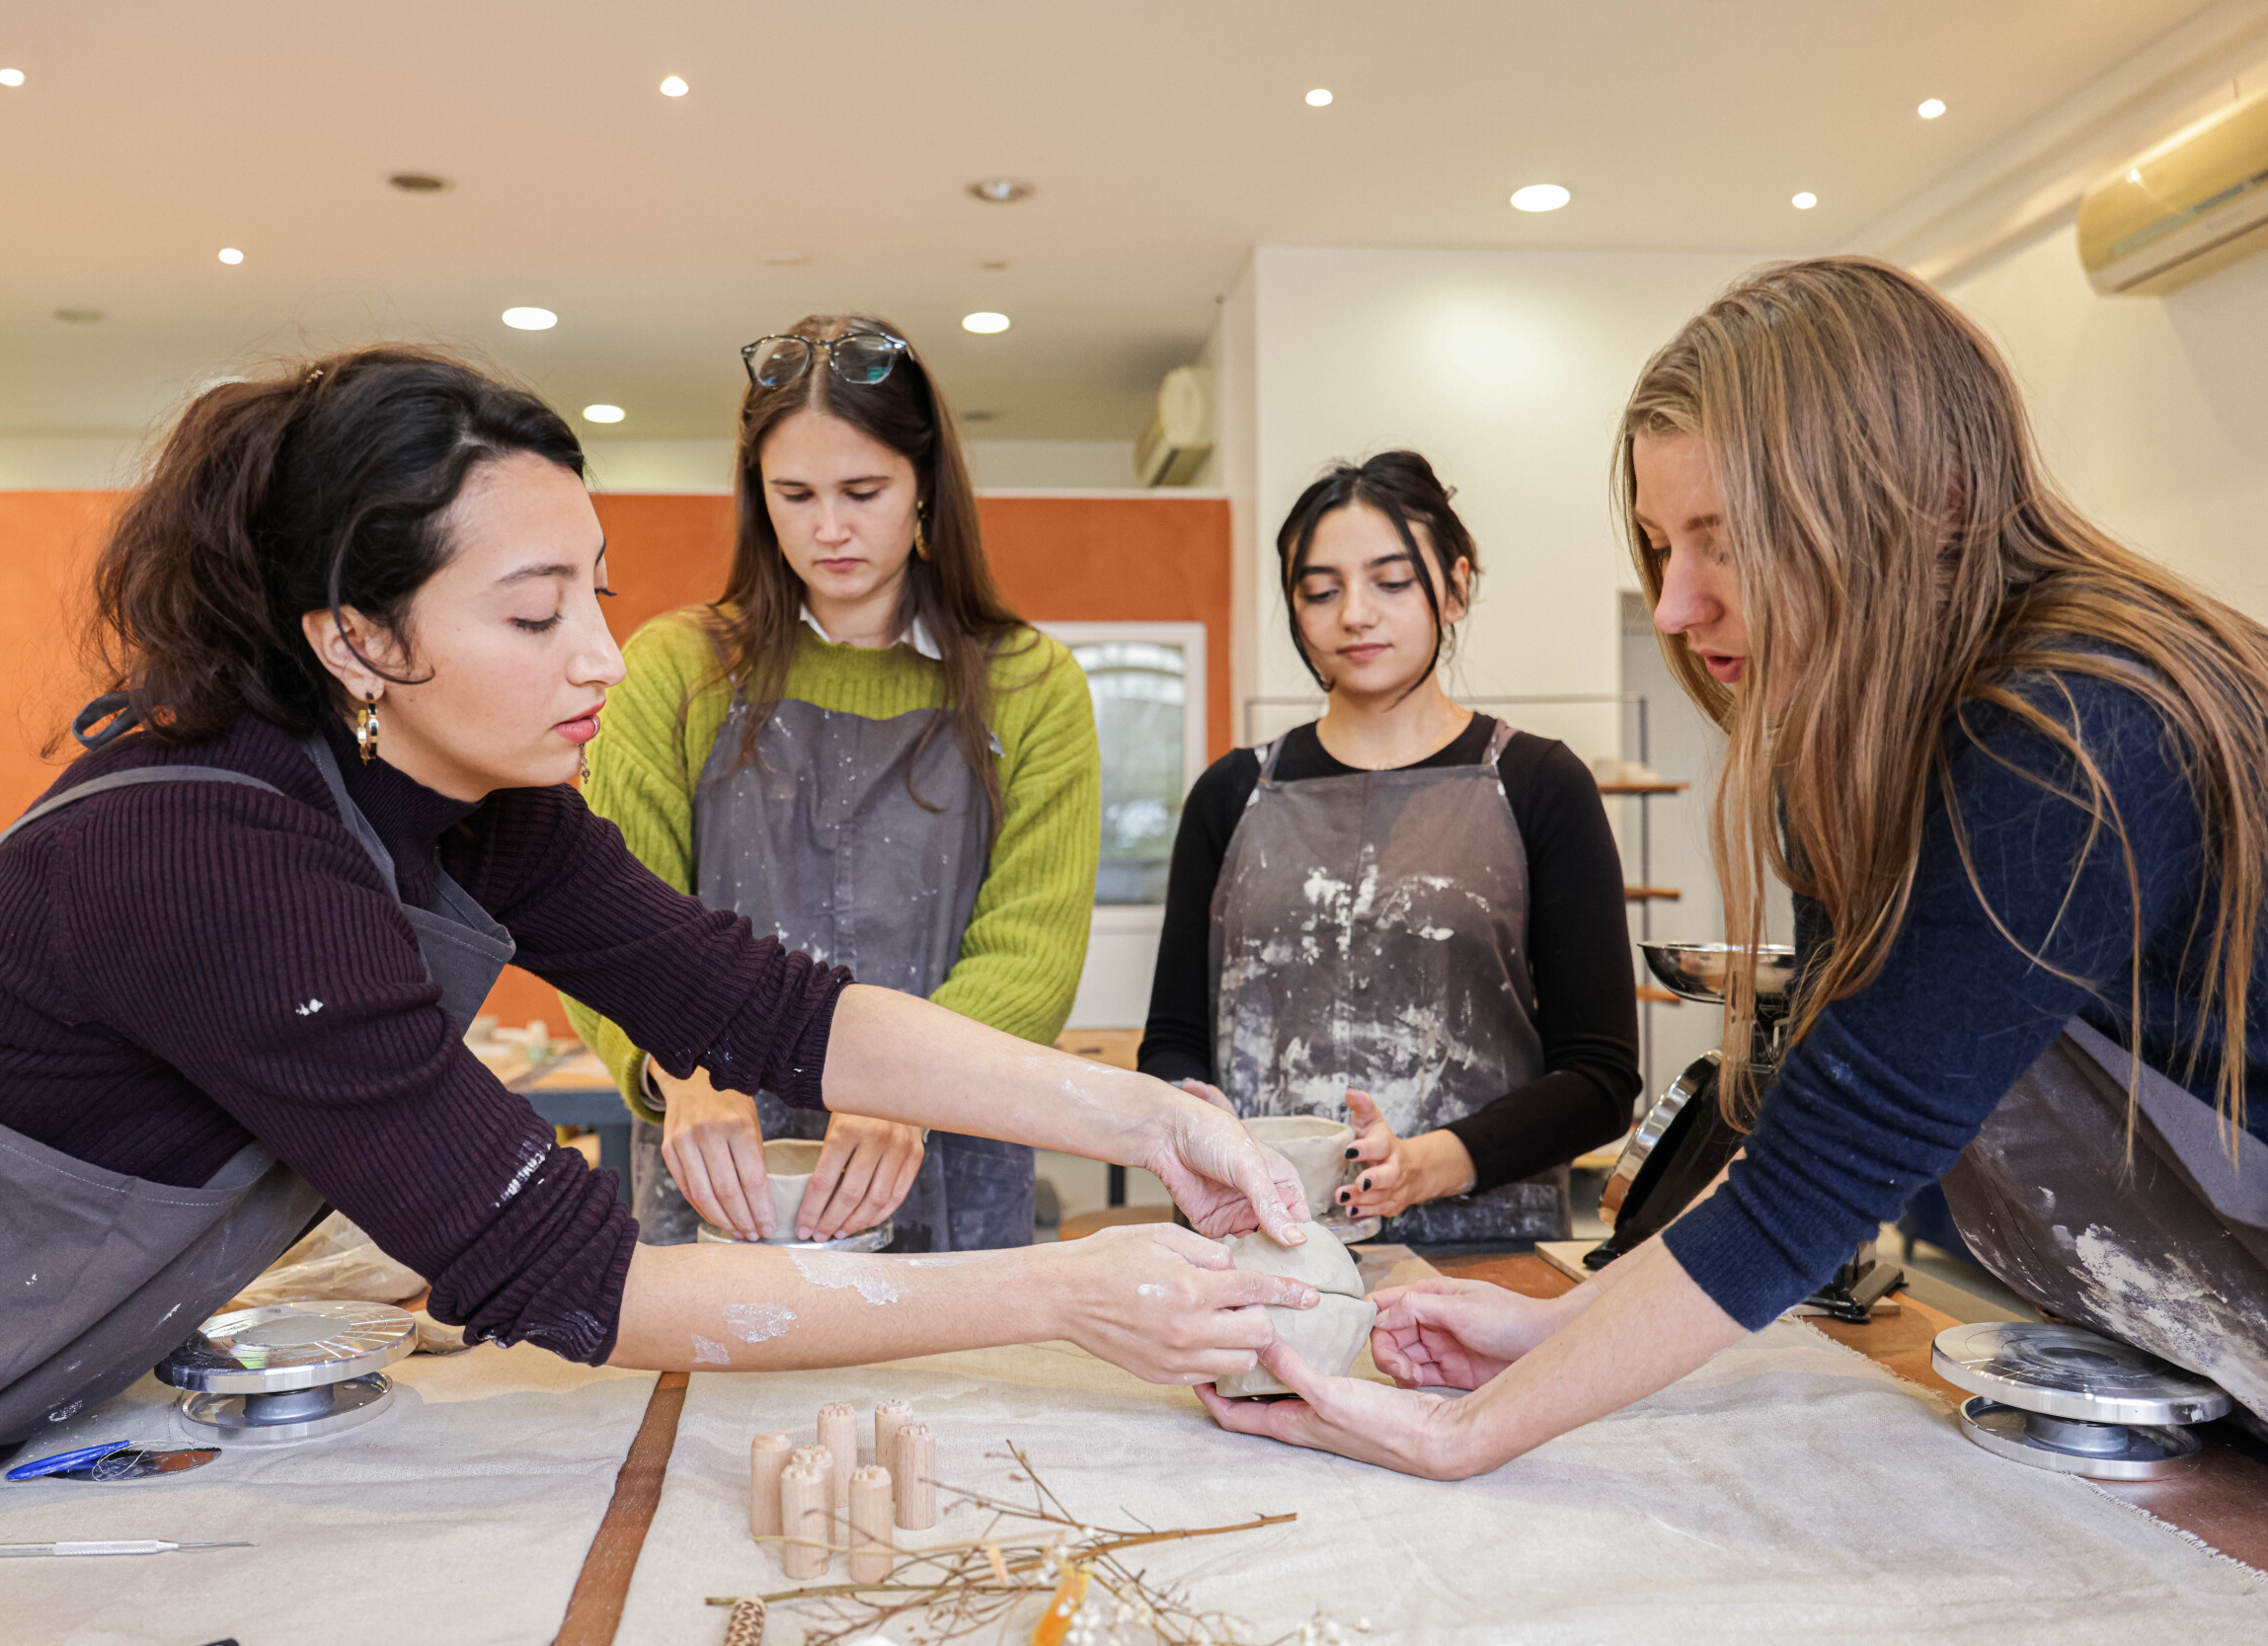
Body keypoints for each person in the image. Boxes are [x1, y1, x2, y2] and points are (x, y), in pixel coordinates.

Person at [0, 348, 1313, 1530]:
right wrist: (1063, 1289)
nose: (600, 654)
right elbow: (575, 1275)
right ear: (357, 636)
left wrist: (1155, 1120)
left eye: (597, 591)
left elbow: (766, 1001)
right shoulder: (216, 853)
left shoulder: (467, 789)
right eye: (533, 615)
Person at [1200, 257, 2268, 1474]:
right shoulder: (1851, 747)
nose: (1669, 602)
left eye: (1723, 539)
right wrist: (1559, 1326)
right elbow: (1798, 1137)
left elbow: (1826, 1167)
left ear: (1932, 501)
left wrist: (1467, 1431)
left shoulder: (2075, 728)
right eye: (1659, 544)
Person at [565, 314, 1098, 1252]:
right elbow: (610, 914)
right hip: (719, 1167)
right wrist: (681, 1068)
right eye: (795, 493)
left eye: (863, 489)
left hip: (950, 1153)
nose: (830, 528)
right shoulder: (674, 667)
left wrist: (908, 1087)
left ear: (926, 484)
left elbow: (1031, 950)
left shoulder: (1029, 682)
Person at [1139, 452, 1639, 1249]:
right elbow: (1172, 1041)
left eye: (1391, 581)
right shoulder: (1230, 794)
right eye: (1321, 589)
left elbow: (1600, 1080)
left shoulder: (1542, 783)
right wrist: (1199, 1126)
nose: (1355, 615)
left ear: (1456, 585)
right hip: (1257, 1250)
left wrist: (1427, 1165)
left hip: (1481, 1253)